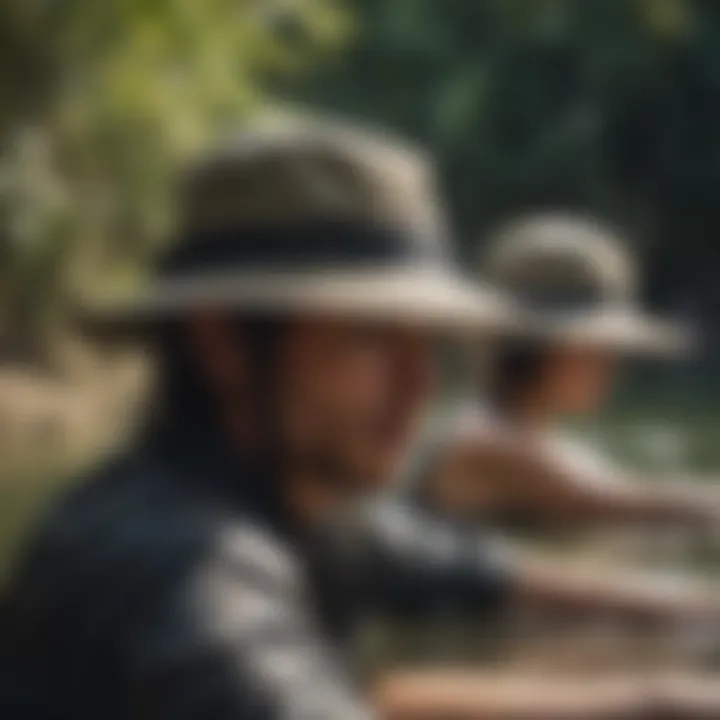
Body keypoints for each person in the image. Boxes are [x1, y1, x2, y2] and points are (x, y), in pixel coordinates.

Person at [0, 121, 717, 720]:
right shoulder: (175, 565)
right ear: (222, 345)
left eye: (427, 342)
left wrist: (658, 693)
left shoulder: (315, 510)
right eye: (372, 336)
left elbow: (434, 626)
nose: (418, 384)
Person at [418, 213, 720, 530]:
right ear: (534, 348)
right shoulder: (485, 443)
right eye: (595, 346)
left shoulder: (523, 437)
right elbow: (650, 504)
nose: (612, 363)